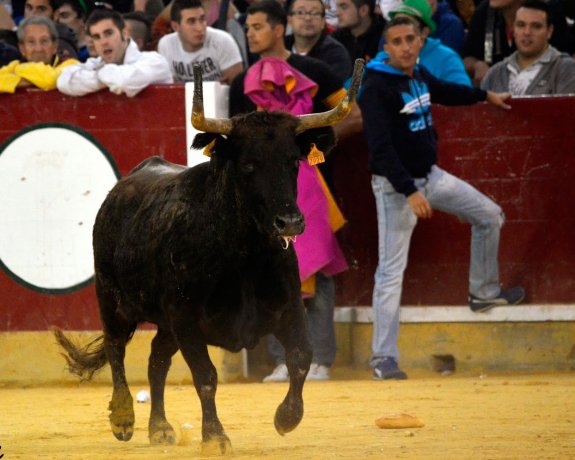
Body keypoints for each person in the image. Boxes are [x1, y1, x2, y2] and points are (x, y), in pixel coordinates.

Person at [358, 16, 525, 380]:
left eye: (410, 39)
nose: (404, 46)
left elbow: (445, 91)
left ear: (420, 41)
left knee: (489, 215)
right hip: (395, 187)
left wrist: (484, 95)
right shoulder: (375, 87)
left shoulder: (417, 73)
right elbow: (381, 151)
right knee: (390, 272)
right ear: (385, 50)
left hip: (430, 176)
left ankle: (483, 291)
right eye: (397, 41)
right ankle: (382, 359)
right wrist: (410, 191)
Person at [230, 0, 353, 382]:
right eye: (247, 27)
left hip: (312, 183)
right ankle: (284, 359)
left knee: (315, 265)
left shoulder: (315, 71)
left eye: (257, 27)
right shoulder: (241, 83)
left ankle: (320, 358)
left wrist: (311, 152)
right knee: (271, 271)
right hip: (265, 194)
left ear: (279, 28)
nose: (250, 34)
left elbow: (352, 114)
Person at [57, 9, 172, 97]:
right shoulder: (96, 64)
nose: (103, 42)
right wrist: (102, 78)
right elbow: (63, 81)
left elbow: (124, 82)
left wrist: (98, 76)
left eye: (108, 33)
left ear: (125, 34)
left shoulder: (155, 61)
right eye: (97, 37)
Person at [462, 0, 574, 86]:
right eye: (521, 25)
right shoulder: (484, 12)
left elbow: (566, 62)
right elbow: (465, 59)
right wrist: (476, 65)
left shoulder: (546, 11)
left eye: (536, 26)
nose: (527, 32)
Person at [375, 0, 471, 85]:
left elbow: (466, 100)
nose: (403, 46)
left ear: (424, 33)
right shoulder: (382, 59)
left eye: (409, 36)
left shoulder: (447, 59)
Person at [157, 0, 243, 83]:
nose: (200, 28)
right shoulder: (166, 45)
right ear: (175, 26)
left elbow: (236, 89)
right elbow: (167, 89)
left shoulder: (223, 41)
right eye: (191, 22)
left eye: (202, 19)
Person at [1, 16, 77, 92]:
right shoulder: (15, 65)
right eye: (31, 42)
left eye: (44, 41)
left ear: (55, 46)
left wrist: (19, 70)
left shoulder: (71, 64)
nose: (38, 49)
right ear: (22, 48)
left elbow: (50, 80)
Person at [285, 0, 352, 82]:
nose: (308, 18)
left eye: (315, 13)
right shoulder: (281, 46)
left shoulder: (335, 54)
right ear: (290, 20)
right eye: (300, 12)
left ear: (323, 21)